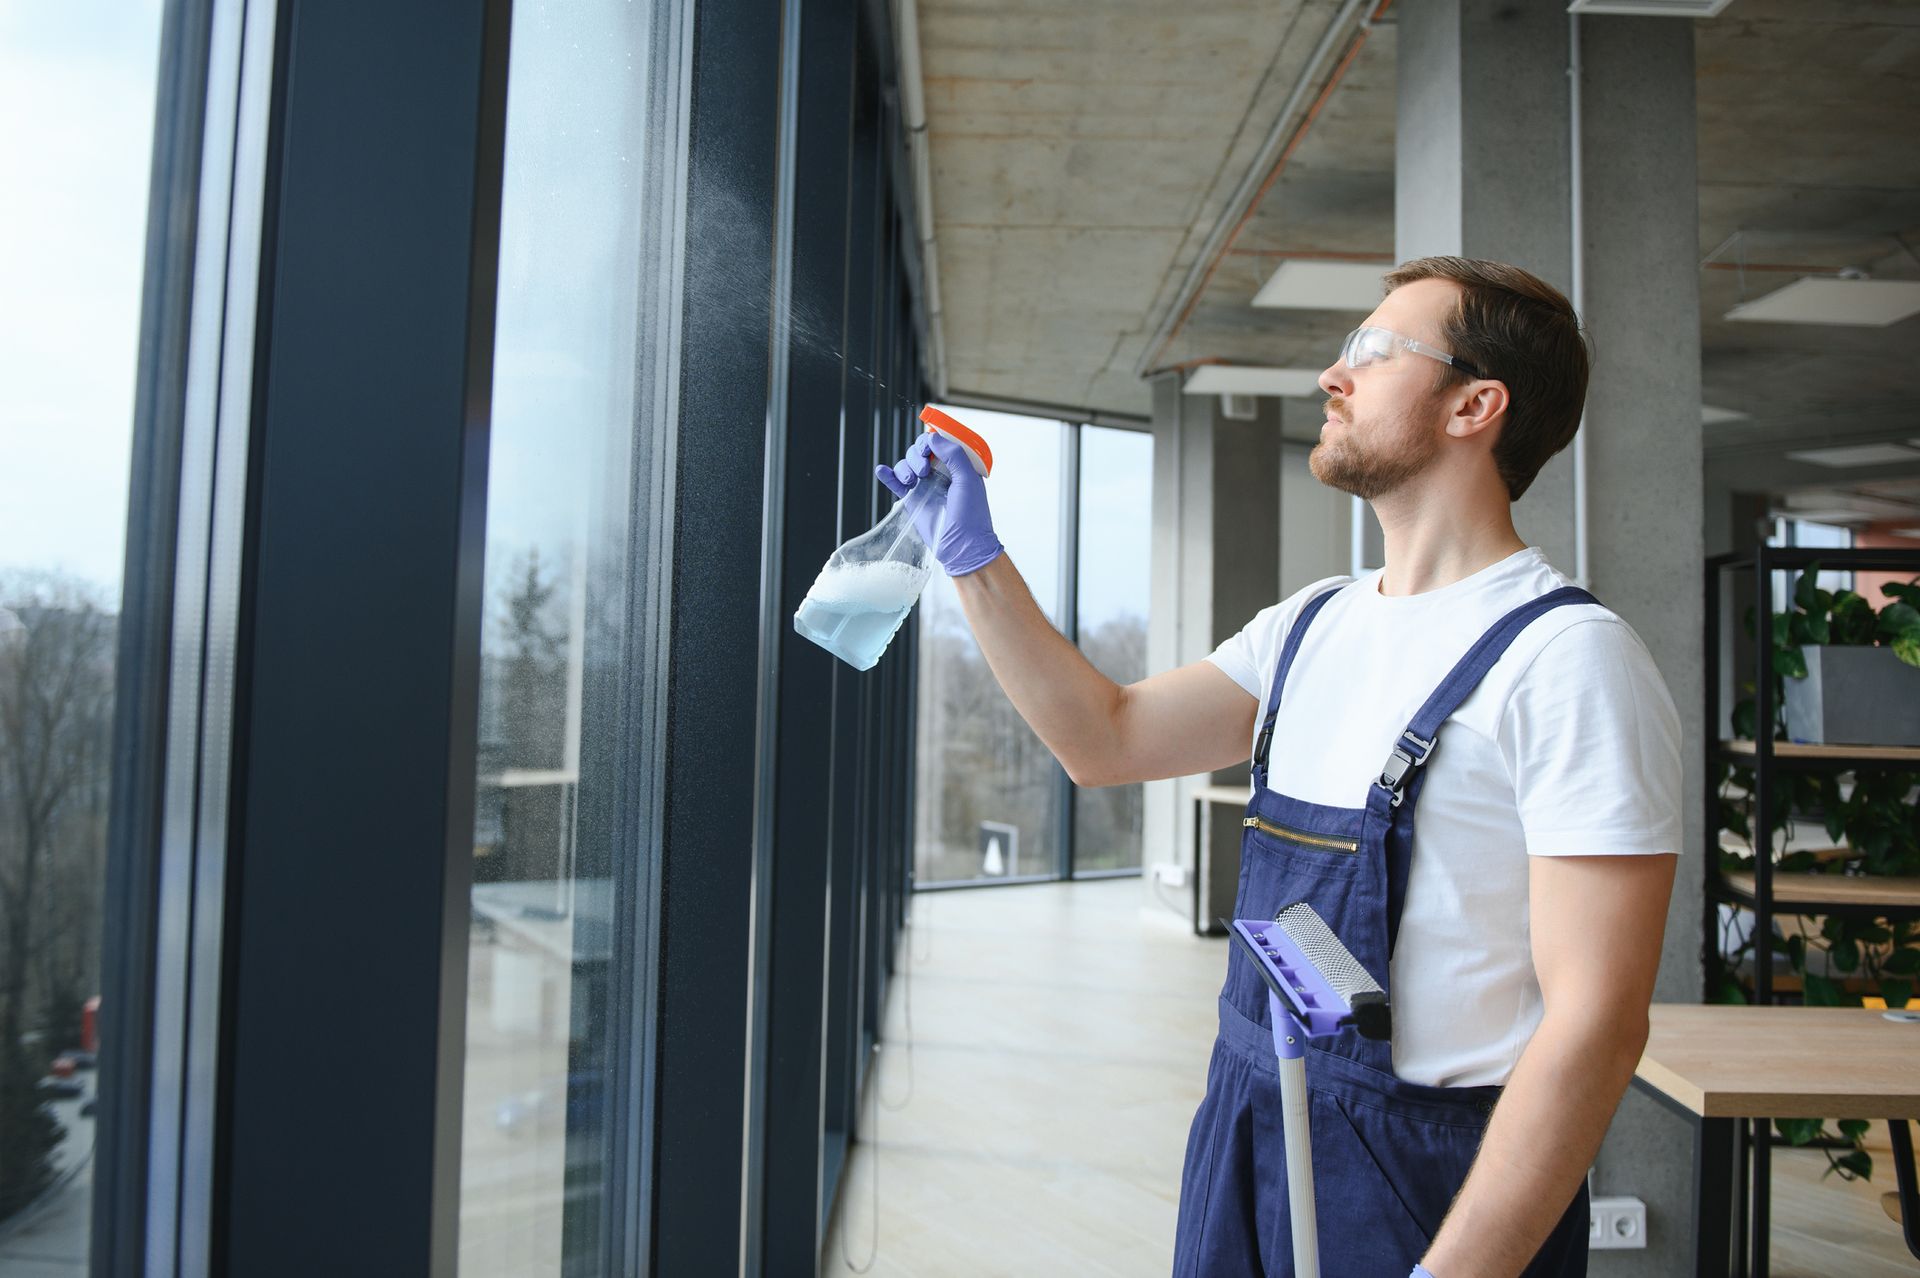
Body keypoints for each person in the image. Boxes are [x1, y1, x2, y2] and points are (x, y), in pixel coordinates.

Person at [876, 256, 1681, 1278]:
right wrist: (974, 563)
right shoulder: (1311, 625)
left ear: (1475, 406)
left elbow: (1595, 1025)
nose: (1331, 377)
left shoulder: (1567, 661)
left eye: (1375, 352)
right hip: (1249, 1125)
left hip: (1429, 1189)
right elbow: (1105, 739)